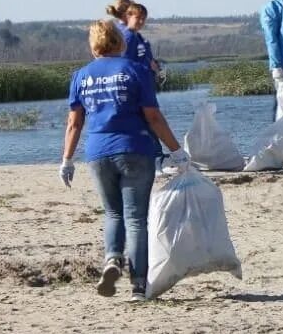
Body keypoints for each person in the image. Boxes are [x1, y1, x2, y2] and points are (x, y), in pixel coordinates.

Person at [59, 20, 189, 302]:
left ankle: (112, 259)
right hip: (135, 149)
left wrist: (67, 160)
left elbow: (74, 123)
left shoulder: (81, 76)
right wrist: (177, 151)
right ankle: (138, 286)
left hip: (98, 152)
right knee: (135, 218)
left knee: (113, 213)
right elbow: (153, 117)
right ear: (120, 42)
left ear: (93, 46)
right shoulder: (136, 71)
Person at [106, 0, 164, 86]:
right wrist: (149, 67)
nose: (141, 21)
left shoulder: (124, 32)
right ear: (128, 14)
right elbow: (125, 64)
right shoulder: (128, 35)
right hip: (136, 86)